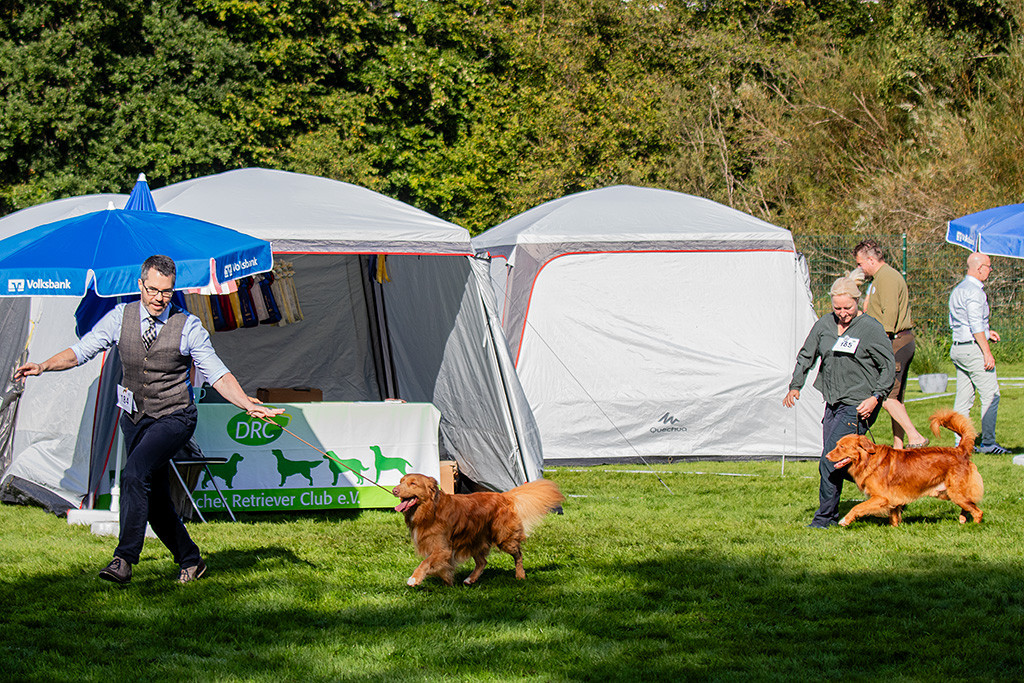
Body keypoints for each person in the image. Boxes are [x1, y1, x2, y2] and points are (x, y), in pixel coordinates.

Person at [13, 255, 284, 584]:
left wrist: (246, 403)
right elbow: (80, 351)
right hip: (135, 419)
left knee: (135, 473)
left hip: (174, 417)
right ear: (141, 285)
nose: (159, 298)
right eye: (153, 289)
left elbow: (217, 373)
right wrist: (43, 366)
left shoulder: (189, 327)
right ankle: (191, 559)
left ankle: (123, 559)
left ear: (174, 290)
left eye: (166, 292)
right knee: (153, 498)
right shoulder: (119, 318)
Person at [784, 276, 896, 528]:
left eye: (848, 308)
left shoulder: (870, 328)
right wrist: (795, 385)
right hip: (833, 403)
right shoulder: (824, 325)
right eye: (837, 308)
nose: (843, 313)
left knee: (829, 460)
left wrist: (876, 397)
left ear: (857, 303)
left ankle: (824, 519)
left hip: (858, 405)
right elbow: (806, 355)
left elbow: (888, 366)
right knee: (843, 460)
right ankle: (889, 486)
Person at [853, 240, 930, 449]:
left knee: (885, 395)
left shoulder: (886, 277)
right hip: (899, 341)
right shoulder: (881, 277)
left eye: (860, 263)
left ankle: (916, 437)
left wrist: (880, 345)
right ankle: (899, 446)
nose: (859, 268)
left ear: (871, 259)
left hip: (894, 342)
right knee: (896, 399)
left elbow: (890, 315)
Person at [948, 252, 1009, 455]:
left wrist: (986, 331)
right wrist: (986, 352)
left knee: (963, 399)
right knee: (991, 395)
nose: (990, 270)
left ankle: (960, 442)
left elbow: (963, 321)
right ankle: (989, 443)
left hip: (958, 346)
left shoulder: (958, 289)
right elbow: (974, 323)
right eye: (989, 267)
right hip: (972, 348)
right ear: (979, 267)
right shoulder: (975, 292)